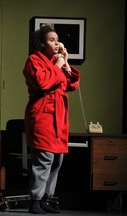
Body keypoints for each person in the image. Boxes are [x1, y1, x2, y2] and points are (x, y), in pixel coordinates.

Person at [23, 24, 81, 214]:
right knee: (44, 160)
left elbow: (71, 85)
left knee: (57, 160)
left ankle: (46, 198)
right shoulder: (33, 61)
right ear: (41, 43)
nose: (56, 43)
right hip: (42, 114)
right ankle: (35, 201)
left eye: (57, 40)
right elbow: (42, 82)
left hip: (59, 115)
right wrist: (56, 66)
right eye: (51, 40)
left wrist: (65, 62)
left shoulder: (56, 61)